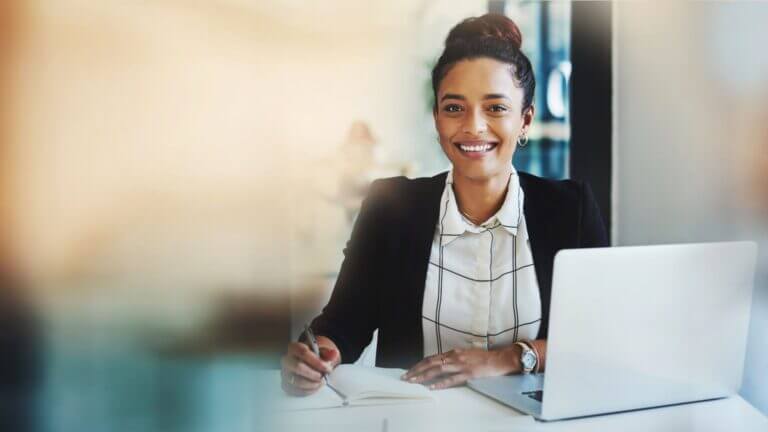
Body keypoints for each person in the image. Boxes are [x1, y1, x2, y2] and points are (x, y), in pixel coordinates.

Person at [281, 13, 607, 396]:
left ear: (525, 120)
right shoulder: (391, 207)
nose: (473, 126)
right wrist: (317, 357)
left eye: (496, 108)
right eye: (454, 108)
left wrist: (509, 358)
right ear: (436, 118)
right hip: (416, 419)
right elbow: (342, 327)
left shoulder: (571, 210)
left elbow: (603, 338)